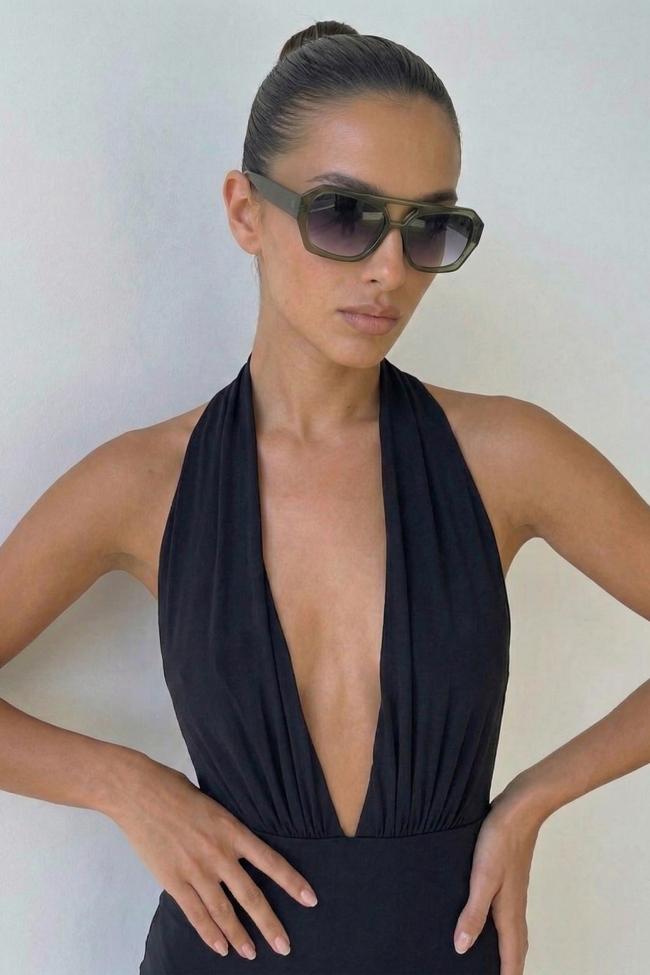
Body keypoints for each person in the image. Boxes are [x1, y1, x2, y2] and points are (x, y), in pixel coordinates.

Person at [3, 18, 650, 975]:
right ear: (245, 211)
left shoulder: (508, 456)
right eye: (344, 215)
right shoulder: (143, 483)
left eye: (428, 227)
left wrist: (532, 800)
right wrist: (124, 784)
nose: (390, 269)